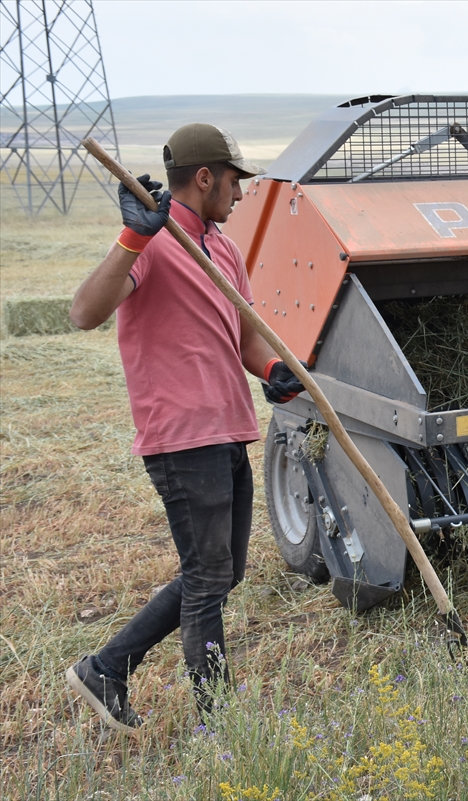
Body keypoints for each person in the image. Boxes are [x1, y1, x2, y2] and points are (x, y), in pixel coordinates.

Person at [65, 123, 305, 732]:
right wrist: (130, 237)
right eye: (234, 181)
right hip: (182, 436)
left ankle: (108, 666)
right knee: (208, 576)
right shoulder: (156, 241)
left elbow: (247, 335)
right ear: (205, 178)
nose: (240, 193)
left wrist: (273, 370)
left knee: (225, 572)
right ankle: (217, 727)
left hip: (228, 429)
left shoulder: (220, 247)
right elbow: (83, 313)